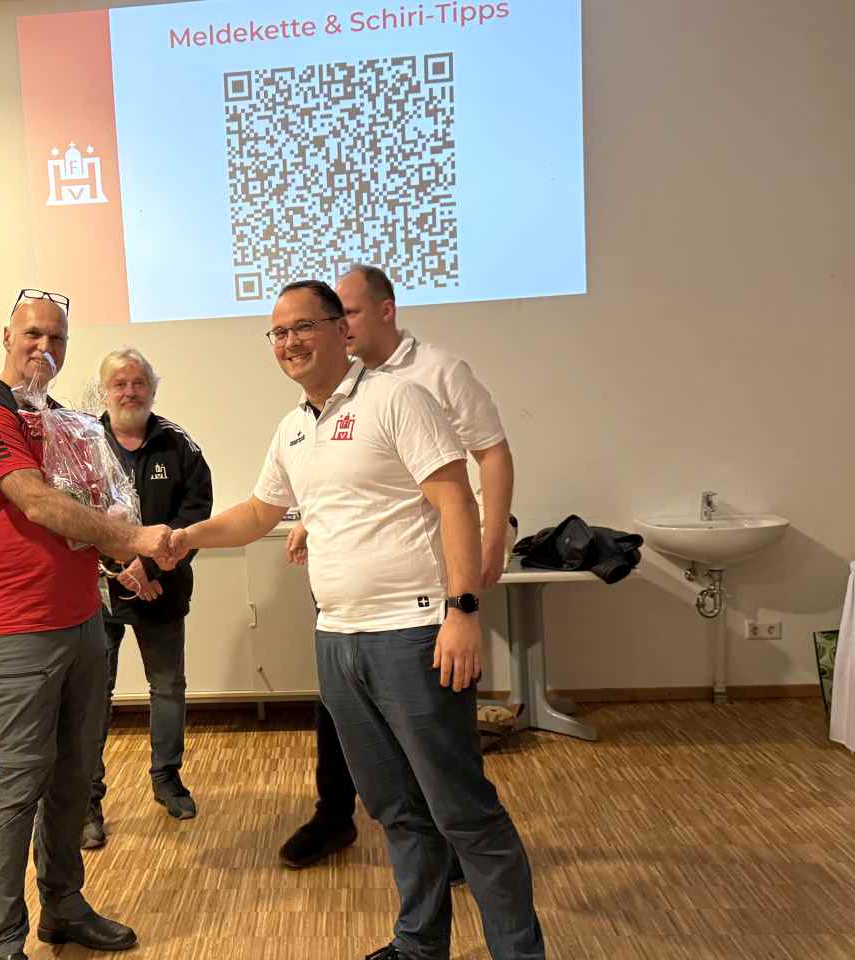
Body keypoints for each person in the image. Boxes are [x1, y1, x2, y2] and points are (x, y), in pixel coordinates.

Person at [157, 280, 544, 960]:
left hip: (414, 634)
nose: (290, 343)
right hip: (338, 639)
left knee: (462, 810)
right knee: (396, 809)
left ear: (342, 329)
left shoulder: (399, 399)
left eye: (303, 327)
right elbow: (258, 513)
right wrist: (187, 537)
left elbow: (456, 501)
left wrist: (462, 611)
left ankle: (519, 952)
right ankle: (420, 945)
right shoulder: (293, 428)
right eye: (278, 333)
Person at [0, 289, 172, 960]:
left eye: (57, 338)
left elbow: (85, 508)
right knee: (20, 786)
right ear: (7, 336)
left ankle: (64, 907)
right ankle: (3, 941)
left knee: (74, 780)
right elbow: (39, 503)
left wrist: (118, 558)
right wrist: (130, 538)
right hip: (19, 633)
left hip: (83, 622)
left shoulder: (64, 423)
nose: (44, 348)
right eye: (32, 334)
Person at [280, 264, 516, 875]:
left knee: (434, 736)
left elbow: (490, 454)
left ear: (384, 310)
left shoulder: (434, 374)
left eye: (348, 312)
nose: (341, 324)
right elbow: (346, 477)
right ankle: (338, 814)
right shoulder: (320, 404)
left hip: (423, 585)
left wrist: (492, 539)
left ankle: (454, 837)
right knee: (347, 712)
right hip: (351, 584)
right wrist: (312, 518)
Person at [83, 347, 213, 848]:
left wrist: (151, 565)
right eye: (119, 384)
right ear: (104, 392)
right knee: (92, 697)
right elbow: (72, 516)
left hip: (162, 589)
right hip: (97, 595)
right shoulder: (83, 446)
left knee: (168, 688)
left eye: (139, 383)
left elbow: (195, 515)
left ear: (152, 390)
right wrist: (119, 568)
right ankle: (88, 801)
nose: (129, 392)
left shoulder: (180, 446)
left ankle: (167, 779)